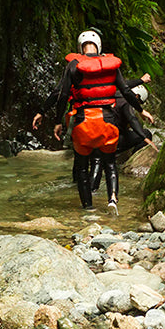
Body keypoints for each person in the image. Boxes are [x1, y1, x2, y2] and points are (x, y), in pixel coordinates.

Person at [31, 30, 152, 215]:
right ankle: (112, 199)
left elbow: (62, 95)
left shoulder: (73, 65)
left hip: (83, 123)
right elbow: (126, 91)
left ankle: (88, 208)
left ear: (80, 47)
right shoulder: (111, 66)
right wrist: (142, 110)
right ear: (100, 46)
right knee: (110, 163)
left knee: (81, 167)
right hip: (108, 123)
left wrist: (54, 120)